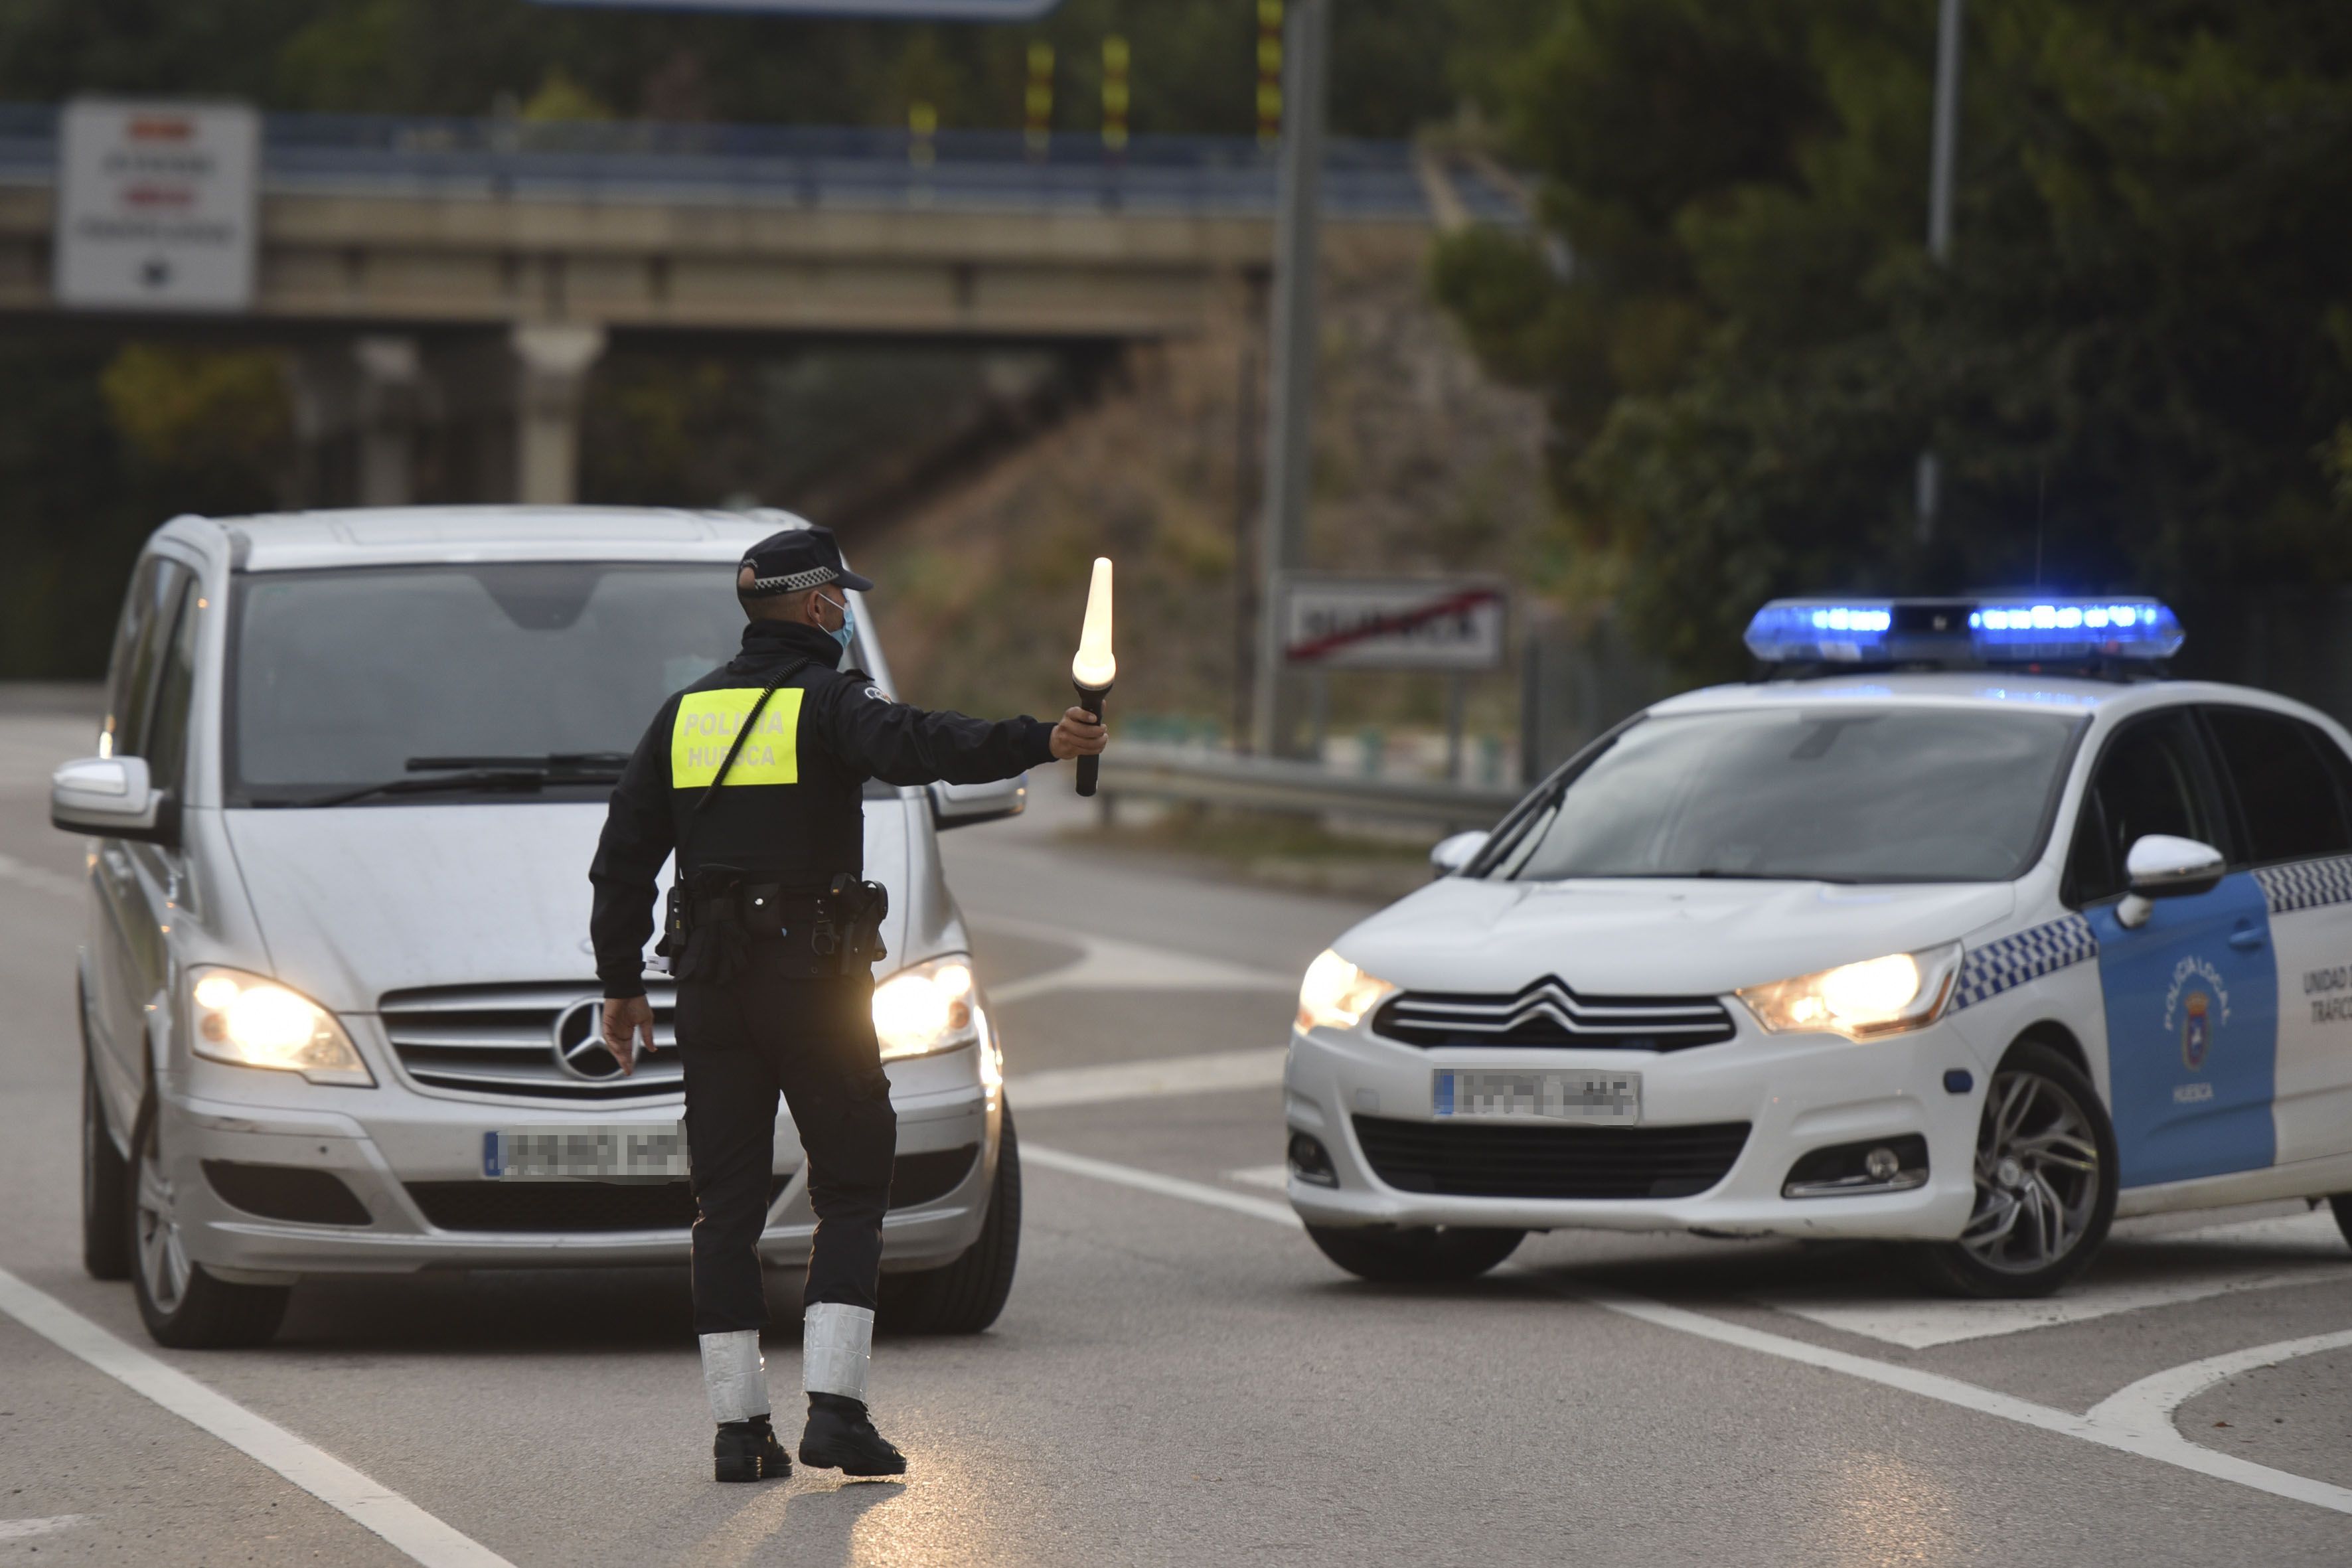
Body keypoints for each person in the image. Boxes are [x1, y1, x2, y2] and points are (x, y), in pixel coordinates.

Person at [588, 524, 1105, 1483]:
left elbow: (623, 859)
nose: (842, 610)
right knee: (854, 1185)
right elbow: (920, 746)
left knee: (727, 1206)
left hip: (709, 985)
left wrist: (620, 982)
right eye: (838, 598)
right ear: (819, 604)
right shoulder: (831, 700)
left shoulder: (684, 715)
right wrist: (1040, 739)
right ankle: (837, 1412)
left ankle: (739, 1432)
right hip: (814, 986)